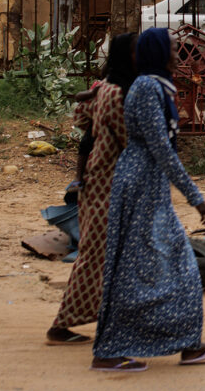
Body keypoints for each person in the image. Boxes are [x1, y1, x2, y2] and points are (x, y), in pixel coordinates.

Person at [91, 27, 205, 373]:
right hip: (139, 185)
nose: (177, 53)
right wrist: (196, 197)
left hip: (150, 186)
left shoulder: (156, 86)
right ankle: (109, 350)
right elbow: (160, 148)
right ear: (156, 52)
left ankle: (188, 343)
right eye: (171, 48)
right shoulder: (146, 89)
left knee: (178, 266)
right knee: (136, 270)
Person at [44, 33, 137, 345]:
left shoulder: (106, 87)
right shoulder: (117, 93)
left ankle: (117, 319)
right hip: (104, 183)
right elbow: (129, 139)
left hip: (101, 180)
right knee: (95, 255)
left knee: (111, 255)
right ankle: (62, 325)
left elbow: (82, 120)